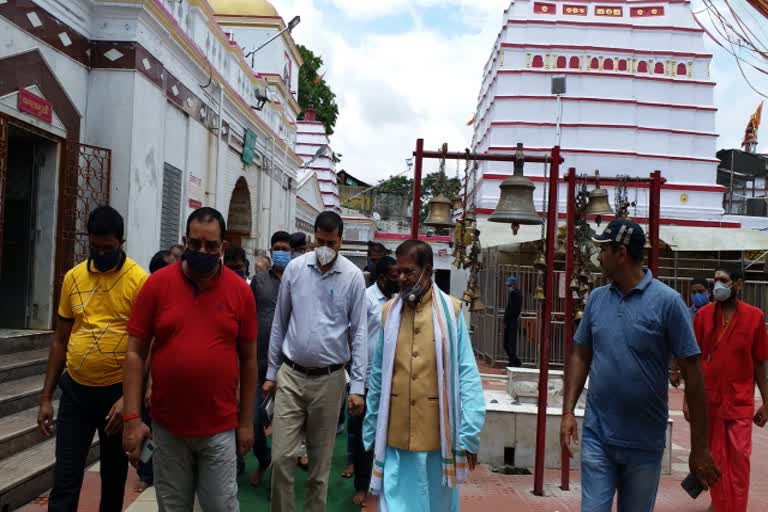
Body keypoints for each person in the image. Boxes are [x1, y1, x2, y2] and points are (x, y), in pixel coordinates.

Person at [560, 219, 720, 511]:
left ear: (621, 253)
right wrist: (568, 411)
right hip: (598, 436)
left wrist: (700, 448)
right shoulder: (596, 299)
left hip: (644, 443)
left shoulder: (668, 303)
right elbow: (580, 354)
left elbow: (694, 377)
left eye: (603, 249)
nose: (599, 256)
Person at [122, 207, 258, 511]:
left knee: (222, 506)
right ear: (185, 241)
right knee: (172, 508)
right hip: (168, 428)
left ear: (222, 247)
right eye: (195, 244)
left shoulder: (240, 292)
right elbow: (134, 352)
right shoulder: (156, 286)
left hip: (219, 428)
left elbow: (249, 361)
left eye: (211, 246)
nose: (202, 251)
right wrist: (132, 418)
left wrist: (247, 422)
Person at [37, 206, 148, 511]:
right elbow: (60, 340)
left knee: (113, 480)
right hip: (75, 391)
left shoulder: (139, 281)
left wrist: (130, 399)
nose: (100, 254)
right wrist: (46, 396)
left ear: (121, 242)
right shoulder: (73, 278)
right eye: (95, 247)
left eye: (108, 248)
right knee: (66, 477)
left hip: (117, 395)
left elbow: (146, 347)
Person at [363, 240, 486, 511]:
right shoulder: (389, 313)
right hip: (395, 435)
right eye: (399, 273)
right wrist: (371, 427)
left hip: (436, 439)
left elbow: (467, 372)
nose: (402, 279)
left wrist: (470, 432)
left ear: (427, 270)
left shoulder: (451, 312)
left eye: (409, 272)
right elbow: (378, 374)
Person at [264, 211, 368, 512]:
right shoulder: (295, 270)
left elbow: (359, 333)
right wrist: (271, 373)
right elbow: (279, 324)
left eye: (331, 242)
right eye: (320, 241)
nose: (324, 247)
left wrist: (357, 386)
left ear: (341, 240)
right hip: (291, 375)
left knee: (319, 470)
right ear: (313, 237)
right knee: (281, 458)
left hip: (330, 379)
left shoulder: (352, 277)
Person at [684, 266, 768, 512]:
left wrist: (766, 400)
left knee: (740, 461)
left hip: (739, 403)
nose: (717, 285)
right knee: (716, 461)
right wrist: (688, 401)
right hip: (709, 403)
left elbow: (760, 361)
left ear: (739, 285)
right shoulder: (704, 316)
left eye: (724, 280)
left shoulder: (754, 317)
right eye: (716, 280)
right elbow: (692, 361)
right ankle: (720, 506)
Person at [348, 256, 399, 506]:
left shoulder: (401, 301)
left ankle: (386, 482)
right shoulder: (367, 298)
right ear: (381, 278)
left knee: (389, 434)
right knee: (362, 435)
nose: (399, 279)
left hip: (394, 378)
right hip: (367, 378)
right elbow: (356, 336)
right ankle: (361, 484)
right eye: (394, 275)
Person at [247, 230, 292, 488]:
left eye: (284, 248)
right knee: (254, 420)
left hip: (288, 363)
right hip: (258, 360)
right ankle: (263, 460)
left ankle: (277, 477)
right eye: (277, 247)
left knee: (283, 425)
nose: (281, 252)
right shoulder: (259, 281)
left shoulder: (296, 279)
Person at [134, 250, 173, 493]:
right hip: (147, 376)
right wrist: (148, 383)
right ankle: (145, 472)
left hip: (160, 378)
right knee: (148, 428)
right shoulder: (150, 297)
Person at [670, 276, 711, 387]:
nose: (697, 295)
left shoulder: (716, 312)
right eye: (694, 292)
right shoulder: (686, 314)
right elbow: (679, 342)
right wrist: (674, 370)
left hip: (712, 367)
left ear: (709, 292)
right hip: (692, 367)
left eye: (701, 291)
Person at [502, 276, 523, 367]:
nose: (509, 287)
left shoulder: (517, 294)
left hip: (512, 321)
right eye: (508, 285)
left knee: (510, 343)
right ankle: (515, 361)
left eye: (510, 285)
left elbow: (513, 310)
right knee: (506, 344)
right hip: (509, 321)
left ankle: (513, 362)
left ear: (514, 285)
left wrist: (507, 318)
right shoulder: (513, 294)